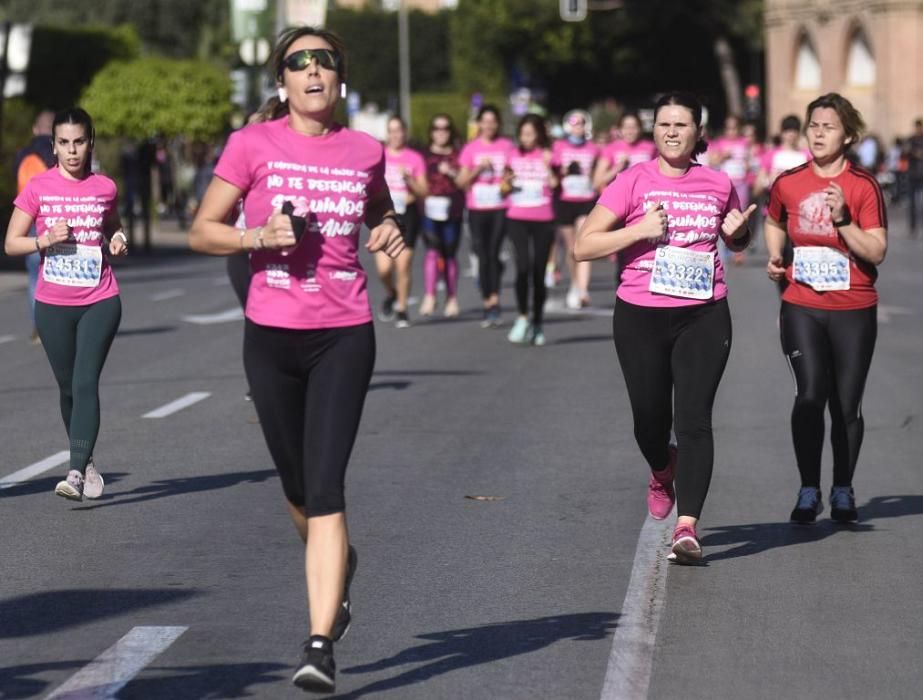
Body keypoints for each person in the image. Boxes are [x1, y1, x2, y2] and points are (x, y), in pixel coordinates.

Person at [189, 26, 405, 694]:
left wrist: (390, 227)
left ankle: (318, 645)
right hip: (270, 332)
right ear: (281, 80)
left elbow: (382, 210)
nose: (313, 71)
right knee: (295, 490)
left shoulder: (365, 150)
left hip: (343, 332)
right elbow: (202, 230)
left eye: (325, 61)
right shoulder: (251, 144)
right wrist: (256, 233)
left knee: (326, 483)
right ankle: (336, 562)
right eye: (298, 63)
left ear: (340, 77)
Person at [575, 91, 754, 564]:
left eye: (681, 125)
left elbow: (737, 234)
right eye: (663, 125)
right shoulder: (631, 181)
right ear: (653, 131)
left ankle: (687, 527)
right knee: (648, 421)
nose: (672, 132)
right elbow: (583, 246)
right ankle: (661, 468)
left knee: (694, 420)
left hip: (704, 312)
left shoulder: (718, 183)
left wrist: (739, 234)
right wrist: (637, 231)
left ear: (698, 132)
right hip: (640, 314)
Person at [764, 93, 887, 524]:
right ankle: (808, 488)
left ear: (849, 135)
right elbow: (773, 218)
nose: (817, 133)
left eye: (828, 126)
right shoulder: (789, 181)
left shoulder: (862, 186)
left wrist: (843, 221)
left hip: (854, 307)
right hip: (802, 305)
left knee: (846, 406)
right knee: (810, 394)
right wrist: (777, 254)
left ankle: (842, 488)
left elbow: (878, 249)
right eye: (813, 125)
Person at [4, 107, 128, 501]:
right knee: (67, 388)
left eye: (79, 142)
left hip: (100, 298)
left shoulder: (104, 187)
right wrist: (44, 240)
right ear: (53, 146)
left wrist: (118, 239)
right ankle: (87, 458)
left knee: (85, 381)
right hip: (53, 303)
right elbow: (11, 243)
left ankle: (74, 473)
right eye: (64, 143)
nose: (72, 151)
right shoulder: (38, 187)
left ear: (90, 142)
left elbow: (112, 226)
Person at [457, 105, 515, 327]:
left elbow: (512, 175)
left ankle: (495, 299)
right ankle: (487, 300)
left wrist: (507, 180)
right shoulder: (471, 149)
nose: (489, 125)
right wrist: (477, 170)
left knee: (494, 252)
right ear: (479, 124)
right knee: (482, 253)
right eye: (485, 121)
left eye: (493, 121)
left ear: (498, 123)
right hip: (477, 208)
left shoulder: (507, 146)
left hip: (501, 206)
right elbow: (461, 182)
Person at [505, 114, 559, 346]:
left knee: (538, 272)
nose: (525, 138)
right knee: (523, 267)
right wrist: (507, 180)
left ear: (539, 134)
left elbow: (556, 185)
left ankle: (537, 321)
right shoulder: (512, 154)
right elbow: (503, 186)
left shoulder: (548, 154)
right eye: (522, 134)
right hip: (517, 216)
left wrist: (547, 167)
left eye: (530, 134)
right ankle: (522, 316)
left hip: (543, 218)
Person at [378, 116, 427, 327]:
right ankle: (392, 293)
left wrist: (409, 182)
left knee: (403, 265)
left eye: (399, 130)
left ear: (405, 133)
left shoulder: (415, 158)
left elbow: (424, 191)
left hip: (407, 215)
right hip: (382, 215)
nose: (395, 134)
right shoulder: (379, 156)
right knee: (383, 269)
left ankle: (402, 309)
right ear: (387, 134)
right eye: (392, 130)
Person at [13, 109, 56, 343]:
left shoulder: (22, 154)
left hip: (27, 218)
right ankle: (55, 324)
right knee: (55, 273)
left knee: (33, 275)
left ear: (34, 128)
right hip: (51, 219)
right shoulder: (56, 152)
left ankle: (39, 327)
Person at [552, 110, 599, 309]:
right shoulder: (559, 147)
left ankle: (583, 289)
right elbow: (552, 170)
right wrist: (563, 171)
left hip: (586, 200)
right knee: (572, 249)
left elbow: (598, 171)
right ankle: (574, 282)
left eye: (580, 124)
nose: (577, 128)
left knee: (583, 243)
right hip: (565, 200)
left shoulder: (594, 149)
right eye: (573, 124)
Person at [419, 113, 465, 318]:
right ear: (431, 132)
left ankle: (452, 297)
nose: (441, 133)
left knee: (449, 254)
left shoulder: (458, 154)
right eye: (437, 129)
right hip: (429, 210)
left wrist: (452, 172)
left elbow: (464, 180)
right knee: (432, 251)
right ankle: (430, 295)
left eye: (445, 128)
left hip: (452, 209)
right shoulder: (423, 155)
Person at [592, 112, 656, 191]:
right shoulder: (610, 148)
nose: (629, 132)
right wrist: (618, 167)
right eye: (625, 127)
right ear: (619, 129)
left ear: (640, 128)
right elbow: (596, 182)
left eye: (633, 127)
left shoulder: (651, 147)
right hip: (619, 197)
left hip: (644, 196)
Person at [907, 118, 923, 237]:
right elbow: (906, 152)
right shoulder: (911, 140)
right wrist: (915, 153)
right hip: (912, 175)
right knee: (912, 203)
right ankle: (912, 228)